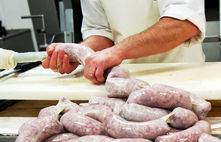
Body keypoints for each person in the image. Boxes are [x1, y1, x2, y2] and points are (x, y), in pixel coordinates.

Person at [42, 0, 205, 84]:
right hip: (124, 82)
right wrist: (78, 53)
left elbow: (183, 24)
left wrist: (118, 51)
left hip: (182, 77)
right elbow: (100, 31)